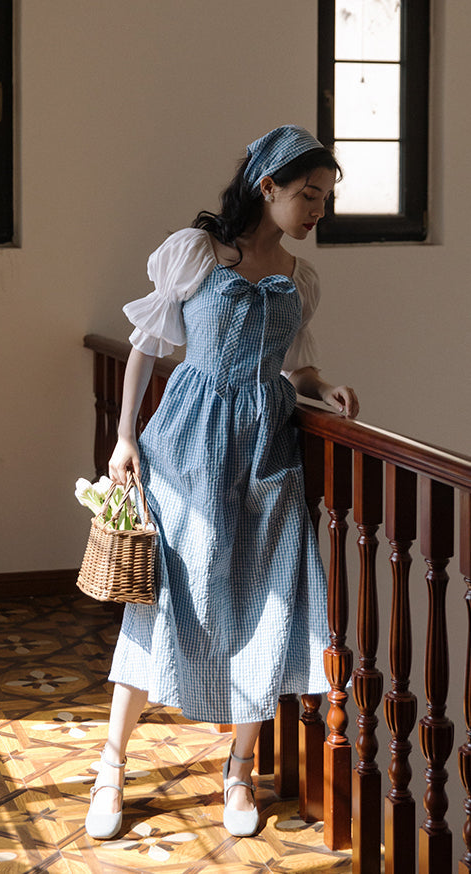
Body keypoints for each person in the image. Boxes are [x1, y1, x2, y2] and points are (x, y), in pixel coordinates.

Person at [85, 124, 360, 841]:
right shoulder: (198, 252)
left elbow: (294, 366)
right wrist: (122, 439)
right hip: (185, 442)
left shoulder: (302, 279)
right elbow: (147, 345)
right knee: (161, 604)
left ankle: (237, 770)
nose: (316, 209)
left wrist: (320, 389)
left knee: (264, 608)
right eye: (307, 194)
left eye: (325, 198)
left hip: (265, 451)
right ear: (265, 186)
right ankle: (112, 765)